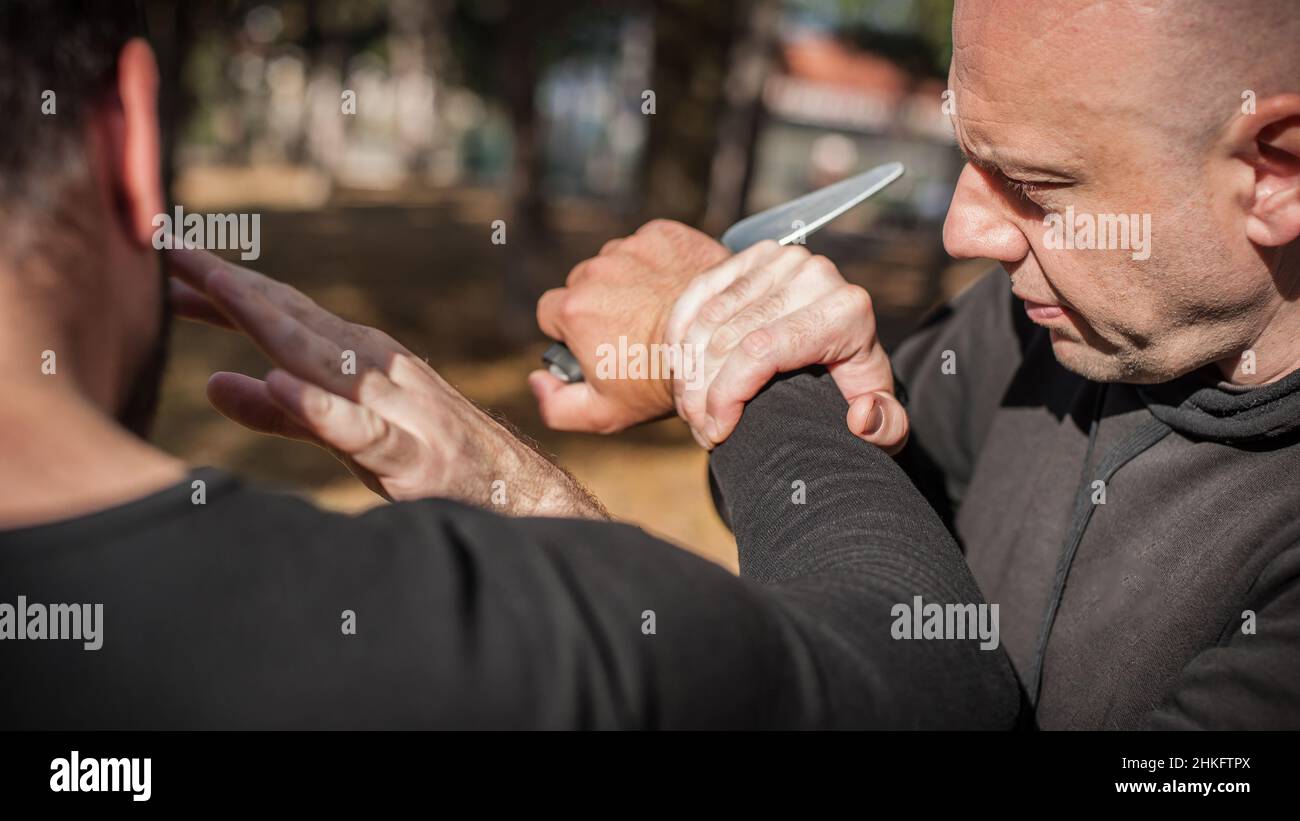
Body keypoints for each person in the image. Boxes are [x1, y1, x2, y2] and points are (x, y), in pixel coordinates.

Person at [0, 0, 1016, 730]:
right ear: (129, 142)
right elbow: (928, 675)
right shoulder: (411, 644)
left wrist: (501, 482)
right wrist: (743, 346)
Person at [533, 0, 1300, 728]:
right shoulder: (1036, 326)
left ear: (1275, 171)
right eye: (966, 158)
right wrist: (785, 368)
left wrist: (715, 334)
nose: (963, 233)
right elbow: (799, 517)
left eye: (1033, 186)